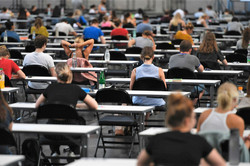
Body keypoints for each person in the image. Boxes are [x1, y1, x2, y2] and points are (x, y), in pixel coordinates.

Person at [137, 93, 226, 166]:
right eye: (194, 117)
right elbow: (221, 164)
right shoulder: (198, 141)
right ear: (187, 121)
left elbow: (141, 163)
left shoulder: (157, 140)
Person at [35, 62, 98, 157]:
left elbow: (37, 105)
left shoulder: (50, 87)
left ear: (57, 76)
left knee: (52, 119)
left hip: (51, 133)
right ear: (70, 76)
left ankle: (54, 151)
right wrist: (75, 106)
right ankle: (73, 151)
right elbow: (94, 105)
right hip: (71, 133)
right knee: (80, 120)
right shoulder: (75, 89)